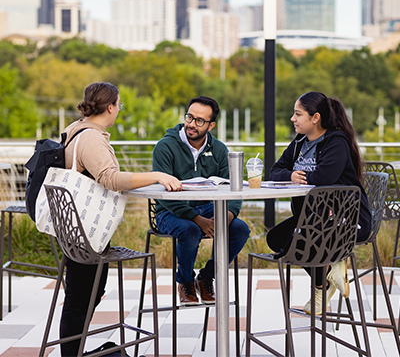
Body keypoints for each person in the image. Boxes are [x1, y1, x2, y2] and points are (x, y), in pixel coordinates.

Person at [60, 82, 182, 356]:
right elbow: (111, 179)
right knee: (81, 296)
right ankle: (71, 354)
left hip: (76, 228)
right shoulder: (90, 137)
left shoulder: (75, 129)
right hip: (85, 231)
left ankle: (73, 351)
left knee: (85, 293)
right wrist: (157, 175)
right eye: (120, 105)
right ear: (111, 107)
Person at [267, 91, 371, 315]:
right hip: (314, 218)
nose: (292, 119)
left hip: (347, 219)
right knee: (275, 238)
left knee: (298, 238)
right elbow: (274, 171)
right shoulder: (299, 143)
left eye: (298, 114)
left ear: (315, 117)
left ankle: (321, 286)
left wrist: (296, 173)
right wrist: (290, 175)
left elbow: (324, 178)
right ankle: (330, 272)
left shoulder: (336, 142)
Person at [152, 96, 250, 305]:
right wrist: (197, 219)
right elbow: (164, 193)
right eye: (190, 117)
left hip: (208, 209)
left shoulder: (220, 150)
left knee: (240, 229)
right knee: (190, 231)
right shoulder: (165, 147)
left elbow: (233, 188)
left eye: (199, 121)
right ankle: (185, 282)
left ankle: (206, 277)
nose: (191, 124)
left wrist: (227, 214)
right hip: (169, 212)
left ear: (211, 125)